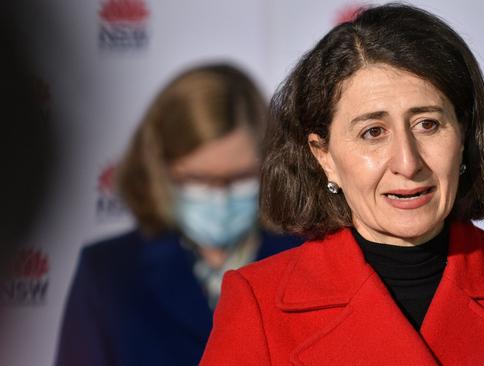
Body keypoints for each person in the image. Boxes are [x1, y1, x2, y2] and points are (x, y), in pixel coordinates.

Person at [199, 5, 484, 365]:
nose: (408, 162)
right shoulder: (259, 302)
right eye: (373, 132)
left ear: (464, 137)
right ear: (324, 156)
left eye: (427, 124)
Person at [55, 63, 301, 366]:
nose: (220, 196)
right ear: (160, 170)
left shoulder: (307, 262)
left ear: (269, 166)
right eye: (197, 179)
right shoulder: (108, 273)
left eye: (239, 177)